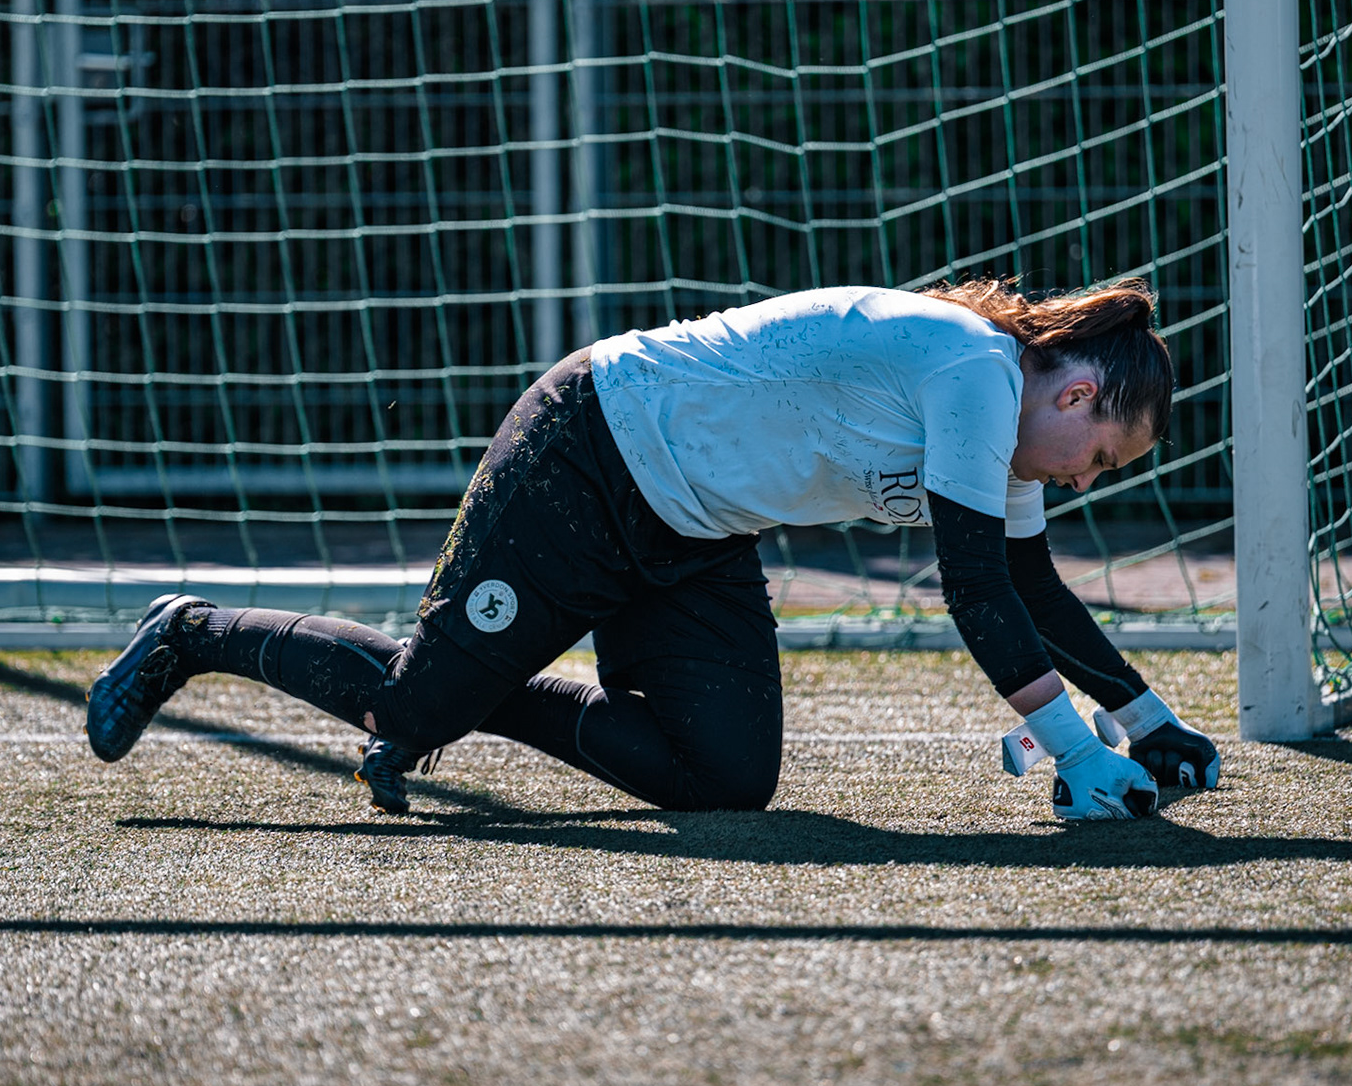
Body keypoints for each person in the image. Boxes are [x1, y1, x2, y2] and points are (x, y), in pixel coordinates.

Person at [85, 279, 1220, 822]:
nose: (1081, 478)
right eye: (1099, 454)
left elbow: (1028, 583)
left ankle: (468, 693)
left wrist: (1155, 722)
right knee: (402, 710)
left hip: (696, 535)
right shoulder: (976, 372)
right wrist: (1077, 748)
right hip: (588, 454)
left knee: (722, 778)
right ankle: (192, 630)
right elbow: (974, 587)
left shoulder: (1009, 424)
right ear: (1075, 389)